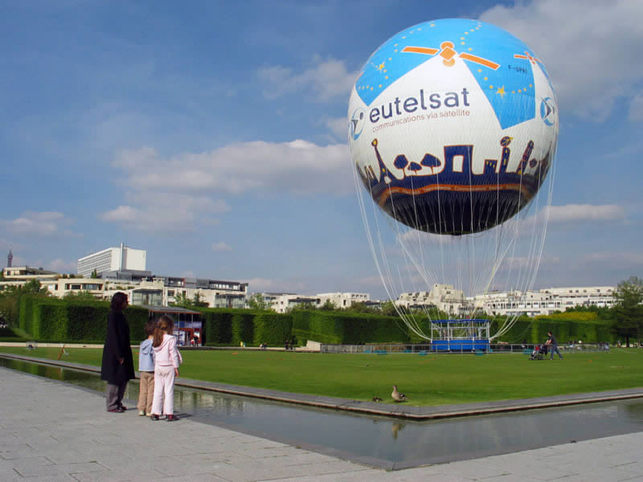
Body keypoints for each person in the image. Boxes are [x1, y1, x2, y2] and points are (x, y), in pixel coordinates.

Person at [100, 292, 135, 413]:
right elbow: (113, 336)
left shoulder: (120, 315)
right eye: (126, 301)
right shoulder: (113, 316)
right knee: (114, 379)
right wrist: (118, 354)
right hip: (116, 352)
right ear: (120, 302)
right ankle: (111, 404)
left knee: (123, 378)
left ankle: (118, 401)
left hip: (123, 350)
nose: (127, 303)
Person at [150, 315, 182, 422]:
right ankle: (169, 414)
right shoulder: (170, 338)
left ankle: (155, 413)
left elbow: (154, 354)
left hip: (158, 367)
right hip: (168, 366)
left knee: (158, 390)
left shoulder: (156, 338)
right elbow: (172, 353)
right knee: (168, 390)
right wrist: (176, 367)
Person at [136, 320, 156, 416]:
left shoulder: (143, 343)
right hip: (152, 370)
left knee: (143, 390)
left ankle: (141, 408)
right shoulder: (154, 344)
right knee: (151, 391)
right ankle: (149, 409)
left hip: (143, 370)